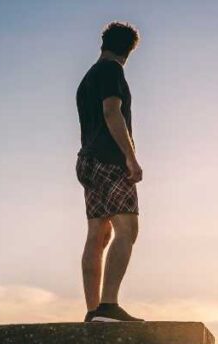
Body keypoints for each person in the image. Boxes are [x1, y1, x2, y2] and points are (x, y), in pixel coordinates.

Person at [75, 22, 144, 322]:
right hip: (109, 159)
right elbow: (111, 111)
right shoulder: (112, 72)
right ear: (129, 49)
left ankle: (95, 312)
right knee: (127, 229)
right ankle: (109, 305)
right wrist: (131, 157)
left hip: (88, 160)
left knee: (98, 234)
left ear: (103, 42)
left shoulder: (88, 77)